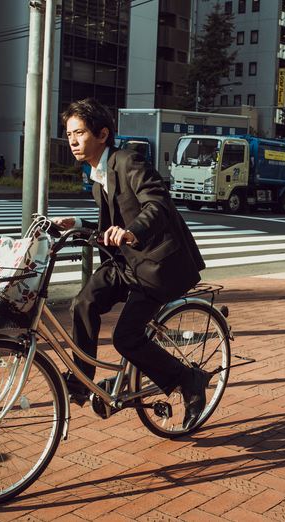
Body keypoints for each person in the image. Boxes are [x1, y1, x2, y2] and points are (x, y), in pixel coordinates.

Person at [51, 98, 209, 430]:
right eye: (68, 135)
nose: (73, 141)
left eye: (79, 133)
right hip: (126, 264)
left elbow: (158, 204)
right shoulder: (98, 174)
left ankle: (189, 381)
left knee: (126, 337)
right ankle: (82, 381)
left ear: (102, 134)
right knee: (83, 302)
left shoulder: (128, 162)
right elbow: (111, 220)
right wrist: (77, 222)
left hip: (156, 266)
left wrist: (132, 233)